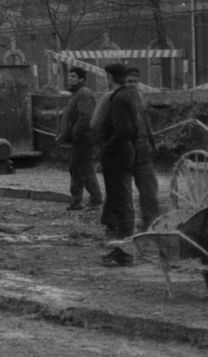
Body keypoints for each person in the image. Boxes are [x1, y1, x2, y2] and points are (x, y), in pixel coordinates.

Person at [93, 62, 161, 263]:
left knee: (131, 196)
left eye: (135, 81)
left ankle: (129, 245)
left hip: (128, 153)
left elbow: (130, 128)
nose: (132, 84)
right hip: (131, 151)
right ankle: (118, 235)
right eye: (129, 80)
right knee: (122, 196)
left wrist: (108, 147)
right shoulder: (125, 97)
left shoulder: (124, 98)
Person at [55, 64, 103, 211]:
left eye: (73, 76)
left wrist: (74, 133)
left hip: (83, 139)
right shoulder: (77, 94)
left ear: (82, 79)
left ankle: (80, 202)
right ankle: (93, 199)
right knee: (83, 169)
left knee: (80, 169)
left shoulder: (83, 94)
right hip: (80, 138)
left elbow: (85, 117)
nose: (70, 79)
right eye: (69, 76)